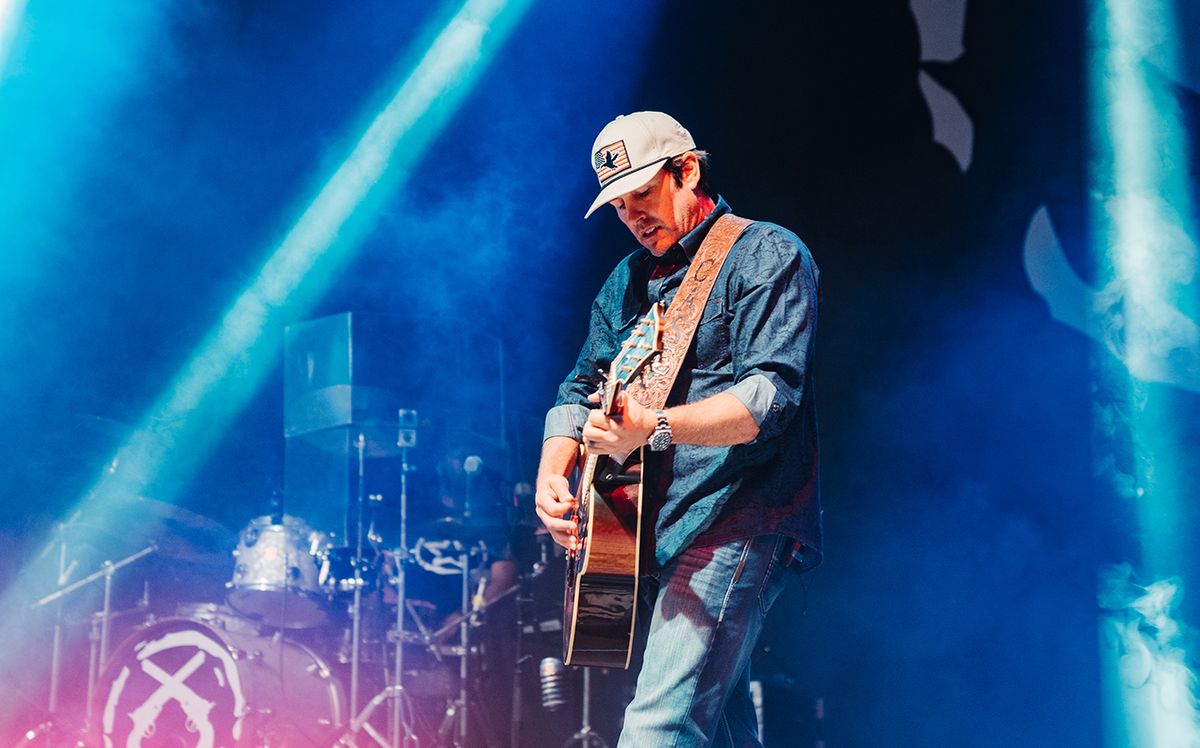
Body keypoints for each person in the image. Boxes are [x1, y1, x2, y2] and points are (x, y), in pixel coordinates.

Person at [535, 110, 822, 747]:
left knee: (656, 727)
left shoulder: (765, 253)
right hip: (651, 530)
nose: (633, 214)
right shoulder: (628, 281)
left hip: (736, 514)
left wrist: (655, 427)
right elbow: (580, 385)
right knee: (717, 729)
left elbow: (771, 397)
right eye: (618, 204)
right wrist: (553, 471)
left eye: (642, 192)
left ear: (686, 170)